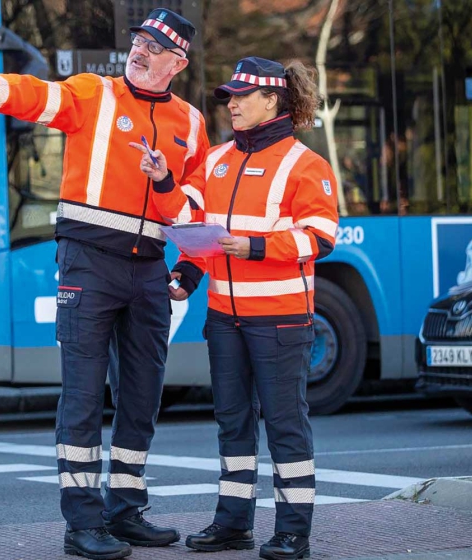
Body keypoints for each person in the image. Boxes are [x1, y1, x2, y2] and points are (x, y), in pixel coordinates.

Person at [0, 8, 208, 560]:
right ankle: (82, 523)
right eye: (139, 41)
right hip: (87, 262)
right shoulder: (93, 93)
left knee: (142, 397)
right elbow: (30, 95)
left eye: (155, 47)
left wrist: (191, 265)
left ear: (177, 62)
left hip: (150, 267)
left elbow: (197, 204)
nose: (141, 51)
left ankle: (126, 512)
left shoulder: (191, 123)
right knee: (81, 396)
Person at [133, 57, 339, 560]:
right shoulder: (219, 158)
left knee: (286, 425)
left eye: (242, 96)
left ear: (273, 100)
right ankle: (233, 525)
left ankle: (293, 532)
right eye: (229, 95)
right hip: (225, 319)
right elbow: (190, 220)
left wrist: (255, 246)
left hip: (281, 320)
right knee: (232, 422)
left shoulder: (306, 164)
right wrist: (185, 265)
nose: (232, 104)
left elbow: (322, 237)